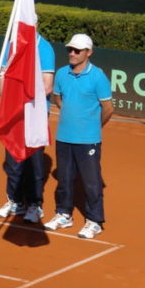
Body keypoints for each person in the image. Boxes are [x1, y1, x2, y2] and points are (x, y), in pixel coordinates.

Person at [45, 34, 112, 240]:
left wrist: (91, 125)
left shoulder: (98, 76)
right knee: (64, 179)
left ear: (88, 53)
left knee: (91, 182)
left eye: (77, 51)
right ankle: (64, 214)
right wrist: (71, 117)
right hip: (64, 137)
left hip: (88, 139)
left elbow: (108, 108)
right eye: (70, 50)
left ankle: (94, 221)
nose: (72, 54)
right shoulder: (62, 73)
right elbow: (58, 98)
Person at [0, 32, 54, 224]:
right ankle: (15, 201)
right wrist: (10, 103)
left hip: (35, 114)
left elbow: (47, 86)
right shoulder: (11, 46)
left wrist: (23, 99)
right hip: (15, 114)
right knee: (13, 159)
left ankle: (35, 205)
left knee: (34, 162)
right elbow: (3, 76)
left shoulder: (44, 48)